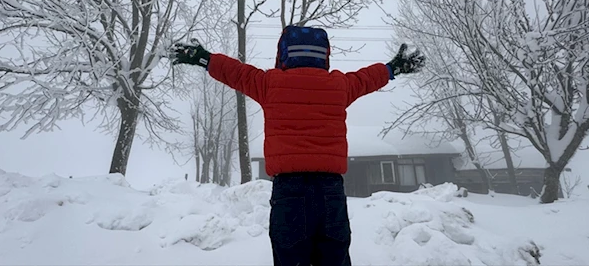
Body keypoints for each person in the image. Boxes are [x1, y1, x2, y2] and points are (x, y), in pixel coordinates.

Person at [169, 25, 425, 266]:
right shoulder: (338, 85)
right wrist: (394, 67)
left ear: (284, 54)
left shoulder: (270, 84)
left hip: (289, 194)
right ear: (324, 56)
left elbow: (235, 72)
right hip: (330, 192)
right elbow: (367, 78)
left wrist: (203, 57)